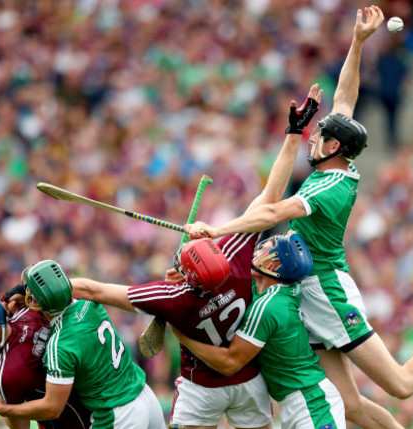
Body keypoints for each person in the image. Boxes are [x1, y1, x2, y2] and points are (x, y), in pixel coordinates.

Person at [185, 5, 413, 429]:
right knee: (350, 407)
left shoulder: (327, 187)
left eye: (320, 138)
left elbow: (275, 210)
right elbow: (345, 99)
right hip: (307, 290)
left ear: (335, 147)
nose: (313, 140)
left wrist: (217, 229)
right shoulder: (337, 160)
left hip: (327, 290)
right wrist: (358, 42)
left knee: (401, 383)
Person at [70, 83, 324, 429]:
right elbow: (272, 193)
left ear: (187, 276)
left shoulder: (173, 297)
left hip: (200, 388)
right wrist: (295, 132)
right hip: (249, 383)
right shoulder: (235, 256)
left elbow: (95, 291)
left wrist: (44, 283)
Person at [170, 232, 344, 429]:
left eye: (263, 249)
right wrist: (186, 278)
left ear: (271, 265)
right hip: (297, 402)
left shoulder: (269, 306)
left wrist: (182, 335)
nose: (255, 250)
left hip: (311, 403)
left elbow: (230, 362)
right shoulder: (268, 289)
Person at [0, 261, 166, 429]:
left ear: (34, 302)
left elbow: (52, 408)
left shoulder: (60, 344)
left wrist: (6, 409)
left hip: (116, 414)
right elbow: (76, 288)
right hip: (145, 395)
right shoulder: (88, 301)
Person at [0, 293, 92, 429]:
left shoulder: (4, 376)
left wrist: (4, 409)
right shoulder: (29, 310)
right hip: (99, 402)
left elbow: (21, 426)